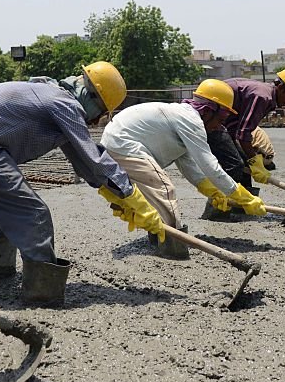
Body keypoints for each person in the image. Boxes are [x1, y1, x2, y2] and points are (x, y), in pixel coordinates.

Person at [0, 62, 166, 307]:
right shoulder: (64, 104)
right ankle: (43, 295)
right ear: (90, 96)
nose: (95, 122)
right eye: (100, 113)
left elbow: (83, 161)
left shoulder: (48, 93)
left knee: (0, 214)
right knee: (34, 215)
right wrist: (131, 196)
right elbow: (93, 157)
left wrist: (116, 195)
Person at [101, 79, 267, 259]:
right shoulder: (191, 120)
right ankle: (173, 249)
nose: (219, 126)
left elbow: (189, 165)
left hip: (116, 142)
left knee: (154, 195)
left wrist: (213, 191)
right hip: (123, 144)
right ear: (208, 111)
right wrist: (241, 195)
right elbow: (210, 165)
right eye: (221, 119)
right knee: (164, 190)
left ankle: (160, 237)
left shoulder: (182, 118)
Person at [203, 70, 285, 218]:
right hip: (211, 121)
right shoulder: (262, 97)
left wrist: (250, 159)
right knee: (234, 165)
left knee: (244, 163)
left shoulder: (267, 96)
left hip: (224, 126)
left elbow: (240, 130)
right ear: (281, 87)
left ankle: (242, 208)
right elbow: (243, 135)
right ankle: (216, 211)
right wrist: (255, 161)